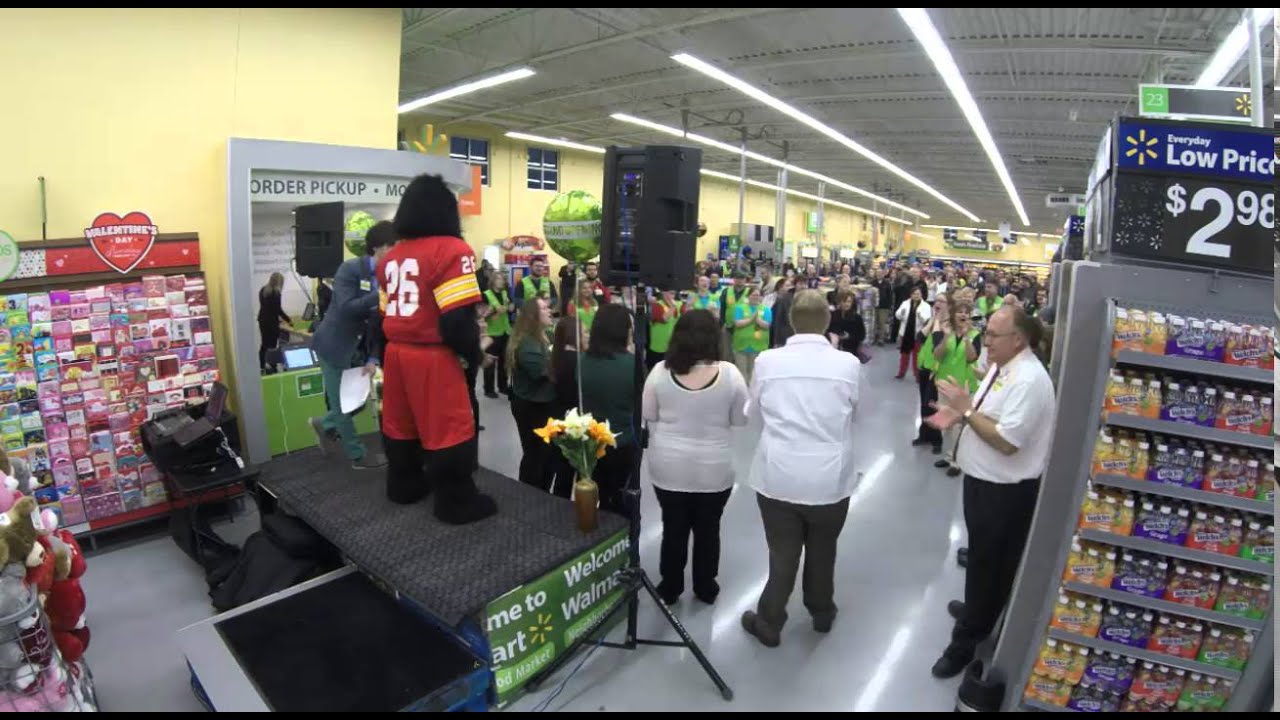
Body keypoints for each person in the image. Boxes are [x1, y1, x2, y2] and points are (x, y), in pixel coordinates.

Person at [926, 306, 1055, 678]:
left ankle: (966, 642)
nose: (986, 341)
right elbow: (989, 414)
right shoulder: (1004, 368)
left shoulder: (1029, 380)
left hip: (1004, 493)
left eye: (994, 335)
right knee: (983, 560)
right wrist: (959, 412)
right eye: (987, 333)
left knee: (991, 567)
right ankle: (976, 611)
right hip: (984, 483)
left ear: (1019, 339)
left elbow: (1007, 442)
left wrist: (966, 412)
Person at [741, 290, 862, 648]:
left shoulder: (767, 361)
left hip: (778, 476)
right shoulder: (848, 364)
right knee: (824, 550)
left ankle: (769, 621)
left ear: (792, 320)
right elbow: (859, 414)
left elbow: (753, 415)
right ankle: (822, 612)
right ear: (827, 320)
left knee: (783, 553)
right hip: (830, 480)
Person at [376, 174, 495, 524]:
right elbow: (456, 321)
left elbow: (382, 314)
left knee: (399, 424)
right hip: (432, 356)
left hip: (396, 352)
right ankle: (455, 501)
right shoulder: (452, 251)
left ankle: (403, 484)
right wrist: (474, 355)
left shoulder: (391, 258)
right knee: (448, 428)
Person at [643, 309, 748, 605]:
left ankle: (670, 586)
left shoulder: (659, 371)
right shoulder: (730, 374)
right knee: (708, 528)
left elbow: (649, 414)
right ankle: (705, 586)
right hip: (715, 468)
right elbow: (741, 419)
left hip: (668, 466)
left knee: (673, 526)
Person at [308, 220, 395, 470]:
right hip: (334, 345)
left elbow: (378, 324)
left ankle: (325, 424)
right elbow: (347, 307)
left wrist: (373, 358)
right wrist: (380, 294)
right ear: (378, 247)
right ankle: (357, 456)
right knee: (343, 406)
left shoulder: (389, 276)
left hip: (360, 349)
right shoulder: (350, 270)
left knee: (356, 401)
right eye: (393, 247)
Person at [578, 304, 637, 515]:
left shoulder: (582, 361)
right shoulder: (631, 365)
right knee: (623, 500)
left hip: (591, 441)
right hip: (623, 441)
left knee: (600, 495)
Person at [508, 297, 558, 493]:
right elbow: (545, 372)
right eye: (544, 308)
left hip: (544, 403)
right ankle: (529, 495)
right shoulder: (528, 344)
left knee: (547, 456)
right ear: (533, 315)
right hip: (532, 407)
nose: (550, 310)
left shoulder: (547, 335)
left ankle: (542, 493)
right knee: (536, 456)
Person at [931, 301, 982, 477]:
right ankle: (949, 455)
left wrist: (966, 337)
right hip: (944, 384)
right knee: (945, 424)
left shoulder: (975, 335)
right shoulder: (944, 332)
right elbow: (937, 355)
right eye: (959, 312)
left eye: (966, 312)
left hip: (963, 387)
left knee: (958, 426)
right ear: (953, 315)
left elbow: (972, 357)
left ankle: (957, 461)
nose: (963, 315)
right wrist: (946, 337)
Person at [912, 294, 950, 454]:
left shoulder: (949, 325)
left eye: (942, 301)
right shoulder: (932, 321)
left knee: (932, 405)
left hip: (937, 371)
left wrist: (938, 323)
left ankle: (936, 439)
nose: (937, 303)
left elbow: (937, 343)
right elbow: (919, 337)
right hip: (924, 367)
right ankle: (924, 435)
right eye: (936, 300)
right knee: (923, 404)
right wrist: (933, 321)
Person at [547, 316, 580, 499]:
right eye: (584, 331)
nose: (587, 334)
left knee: (561, 467)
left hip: (557, 415)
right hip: (573, 419)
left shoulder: (556, 356)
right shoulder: (577, 361)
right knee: (572, 468)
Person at [482, 271, 514, 398]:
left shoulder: (505, 293)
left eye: (502, 279)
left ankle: (503, 386)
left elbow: (511, 306)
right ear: (493, 281)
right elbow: (481, 315)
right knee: (490, 362)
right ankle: (488, 389)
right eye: (499, 279)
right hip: (492, 333)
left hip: (505, 331)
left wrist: (511, 307)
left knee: (504, 361)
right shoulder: (486, 295)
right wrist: (493, 311)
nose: (501, 281)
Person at [731, 286, 771, 383]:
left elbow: (767, 325)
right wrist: (751, 319)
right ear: (748, 296)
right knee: (742, 374)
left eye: (757, 295)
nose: (755, 297)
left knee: (755, 374)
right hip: (741, 346)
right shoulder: (739, 308)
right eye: (753, 295)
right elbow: (737, 323)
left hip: (759, 347)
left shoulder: (766, 309)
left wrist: (757, 319)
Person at [894, 287, 931, 380]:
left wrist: (920, 316)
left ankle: (917, 375)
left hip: (917, 334)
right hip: (906, 333)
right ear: (911, 295)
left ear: (921, 295)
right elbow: (897, 315)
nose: (916, 296)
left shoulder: (926, 306)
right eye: (914, 294)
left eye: (918, 294)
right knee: (904, 355)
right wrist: (901, 313)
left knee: (917, 356)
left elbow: (927, 320)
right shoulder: (905, 303)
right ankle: (901, 372)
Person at [257, 272, 291, 372]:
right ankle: (272, 366)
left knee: (264, 344)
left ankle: (262, 366)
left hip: (262, 320)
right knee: (272, 345)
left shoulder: (263, 290)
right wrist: (289, 320)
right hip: (271, 323)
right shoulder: (276, 293)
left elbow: (267, 308)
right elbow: (278, 310)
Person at [647, 289, 681, 373]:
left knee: (668, 370)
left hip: (671, 344)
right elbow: (664, 319)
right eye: (668, 293)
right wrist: (672, 307)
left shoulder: (678, 304)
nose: (670, 296)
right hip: (658, 346)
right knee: (656, 371)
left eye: (672, 293)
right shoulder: (657, 305)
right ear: (663, 293)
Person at [826, 290, 866, 356]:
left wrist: (849, 336)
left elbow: (862, 335)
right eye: (844, 301)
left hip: (850, 350)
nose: (847, 304)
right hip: (834, 349)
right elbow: (828, 330)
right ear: (839, 302)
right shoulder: (832, 315)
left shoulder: (857, 318)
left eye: (849, 302)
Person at [566, 279, 599, 348]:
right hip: (579, 336)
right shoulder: (573, 303)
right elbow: (571, 322)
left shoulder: (594, 302)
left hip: (593, 335)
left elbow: (597, 318)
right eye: (584, 288)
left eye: (589, 288)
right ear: (578, 289)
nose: (587, 290)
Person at [769, 277, 796, 348]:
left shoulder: (791, 299)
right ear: (780, 287)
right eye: (787, 285)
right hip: (771, 330)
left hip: (785, 334)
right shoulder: (770, 298)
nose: (790, 287)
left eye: (791, 285)